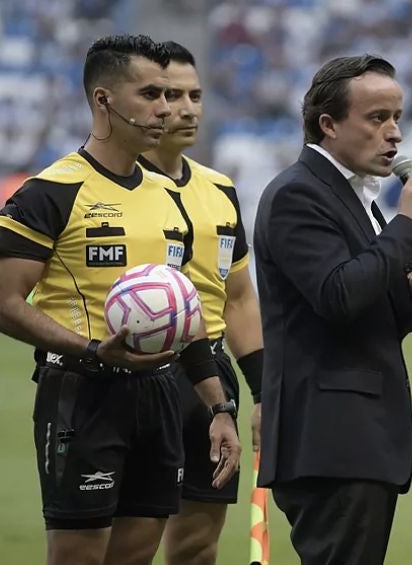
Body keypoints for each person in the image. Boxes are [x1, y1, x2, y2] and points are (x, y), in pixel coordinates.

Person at [0, 35, 239, 565]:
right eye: (150, 94)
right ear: (104, 100)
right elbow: (1, 303)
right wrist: (93, 349)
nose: (165, 109)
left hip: (161, 394)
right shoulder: (51, 191)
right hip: (83, 394)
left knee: (136, 558)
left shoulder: (169, 195)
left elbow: (183, 316)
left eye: (171, 95)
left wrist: (219, 406)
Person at [253, 54, 412, 564]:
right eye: (377, 118)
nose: (395, 133)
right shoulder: (298, 194)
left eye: (397, 117)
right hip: (330, 442)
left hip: (355, 441)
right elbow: (337, 295)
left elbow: (367, 308)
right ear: (328, 124)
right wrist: (406, 229)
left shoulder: (353, 197)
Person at [136, 41, 263, 565]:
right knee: (129, 548)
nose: (186, 108)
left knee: (196, 549)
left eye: (194, 94)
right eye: (168, 94)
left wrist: (263, 390)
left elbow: (237, 297)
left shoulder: (220, 190)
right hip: (140, 375)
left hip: (211, 378)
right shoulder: (103, 189)